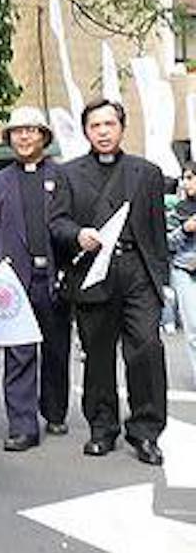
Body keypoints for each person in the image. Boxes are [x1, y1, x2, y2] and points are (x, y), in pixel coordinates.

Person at [49, 99, 168, 465]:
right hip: (92, 273)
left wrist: (161, 280)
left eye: (109, 124)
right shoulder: (68, 173)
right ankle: (102, 428)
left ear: (121, 127)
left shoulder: (146, 172)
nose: (103, 132)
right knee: (97, 355)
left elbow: (157, 229)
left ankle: (146, 431)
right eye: (95, 125)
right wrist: (77, 235)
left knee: (146, 349)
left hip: (137, 272)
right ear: (86, 131)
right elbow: (56, 223)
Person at [0, 106, 72, 451]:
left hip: (53, 277)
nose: (24, 137)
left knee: (56, 348)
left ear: (44, 137)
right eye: (17, 131)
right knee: (18, 353)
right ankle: (22, 424)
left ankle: (55, 410)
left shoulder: (63, 177)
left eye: (31, 130)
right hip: (14, 282)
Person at [167, 162, 196, 387]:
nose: (187, 183)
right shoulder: (179, 210)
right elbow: (166, 242)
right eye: (185, 178)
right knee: (193, 326)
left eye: (191, 177)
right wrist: (185, 229)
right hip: (185, 271)